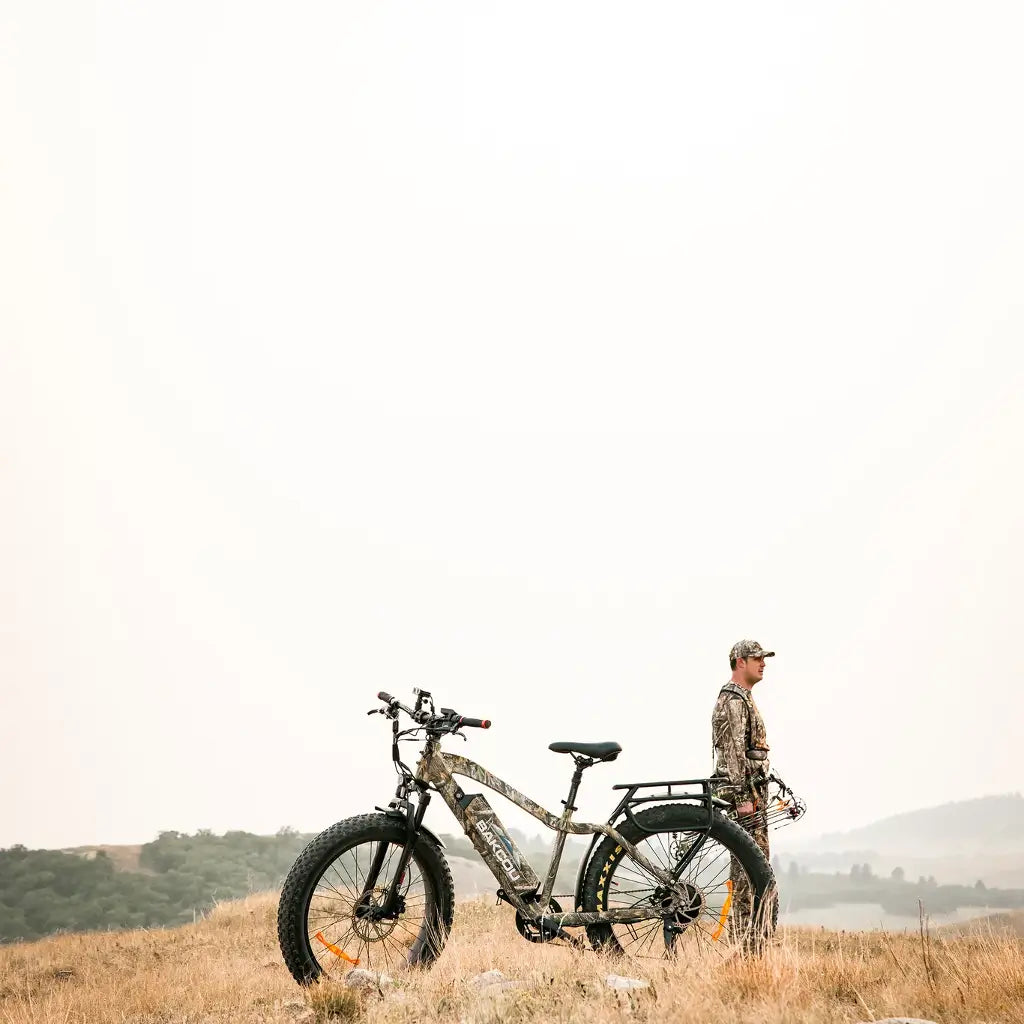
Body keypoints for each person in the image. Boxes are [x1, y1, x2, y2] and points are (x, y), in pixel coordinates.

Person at [711, 639, 775, 936]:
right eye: (757, 658)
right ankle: (745, 944)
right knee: (747, 872)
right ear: (740, 662)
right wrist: (740, 799)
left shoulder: (744, 697)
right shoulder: (733, 700)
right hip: (743, 797)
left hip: (753, 793)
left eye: (764, 658)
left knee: (757, 869)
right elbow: (733, 753)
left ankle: (757, 939)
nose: (763, 663)